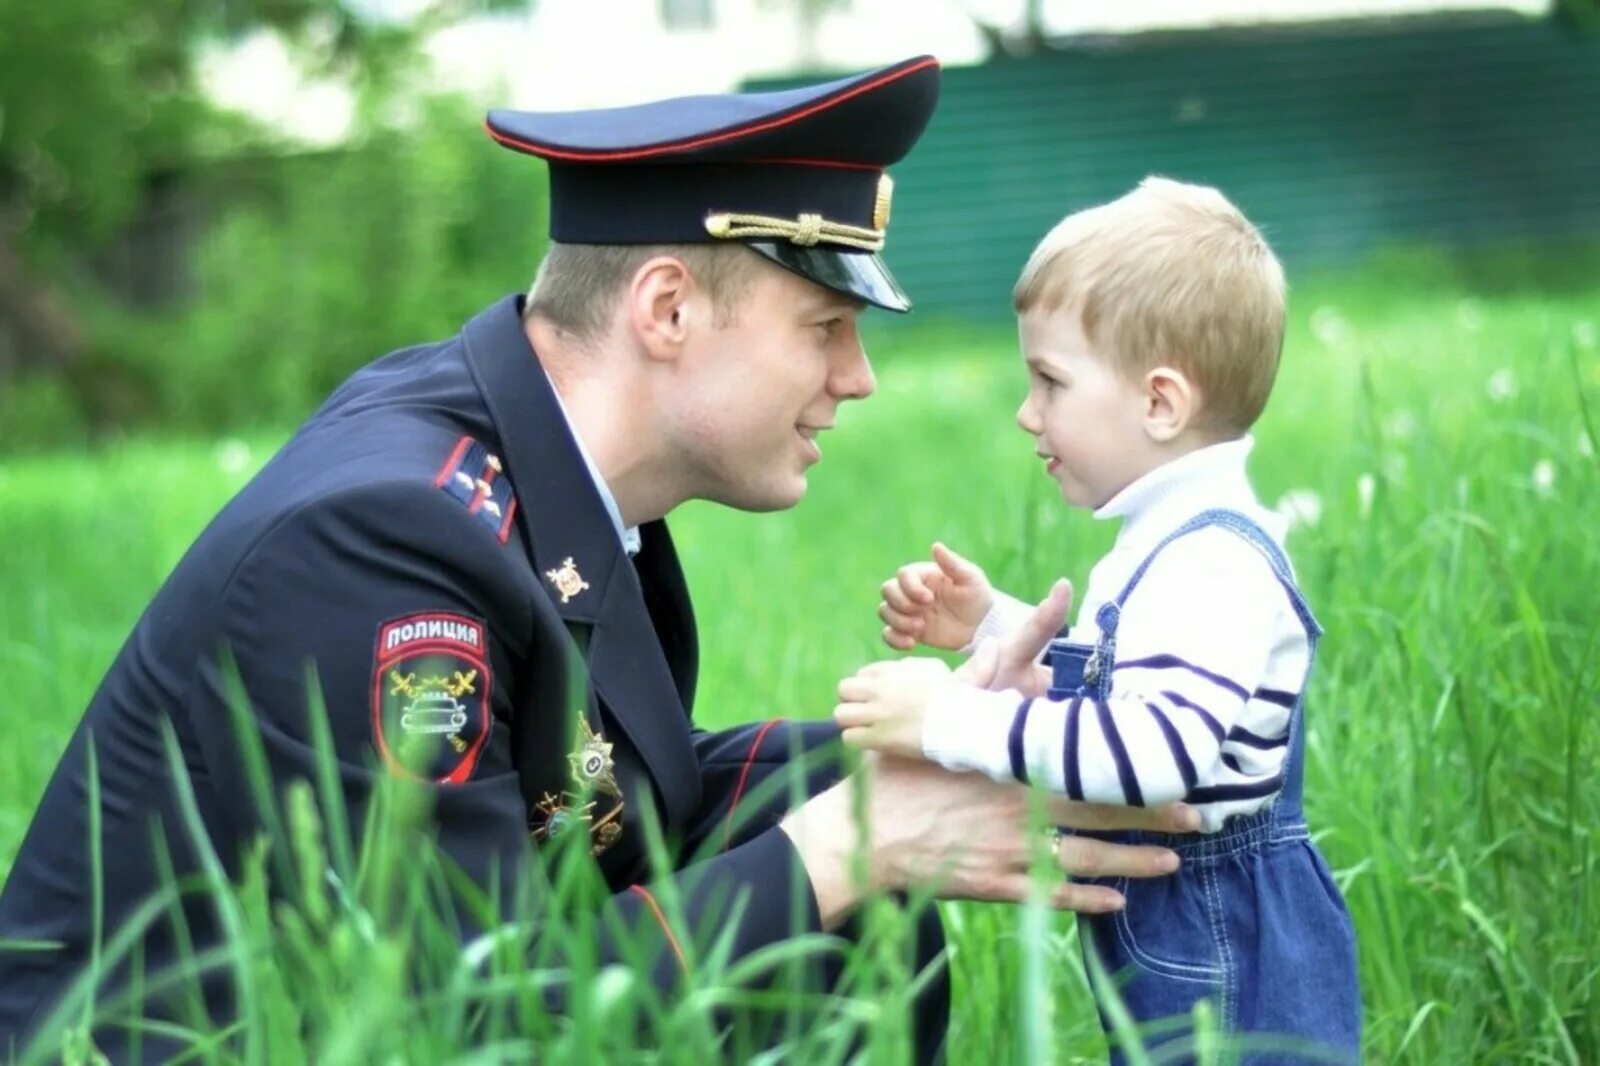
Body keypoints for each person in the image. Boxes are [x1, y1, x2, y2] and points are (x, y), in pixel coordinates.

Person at [0, 61, 1200, 1062]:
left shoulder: (531, 452)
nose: (857, 376)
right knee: (835, 864)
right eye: (824, 327)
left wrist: (946, 744)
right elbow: (458, 1020)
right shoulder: (379, 548)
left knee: (833, 870)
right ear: (667, 310)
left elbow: (601, 809)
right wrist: (868, 833)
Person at [835, 177, 1362, 1061]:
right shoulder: (1173, 539)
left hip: (1227, 936)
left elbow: (1155, 754)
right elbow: (1137, 685)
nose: (1025, 412)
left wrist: (949, 721)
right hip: (1198, 925)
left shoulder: (1210, 562)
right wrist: (992, 626)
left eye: (1050, 381)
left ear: (1160, 403)